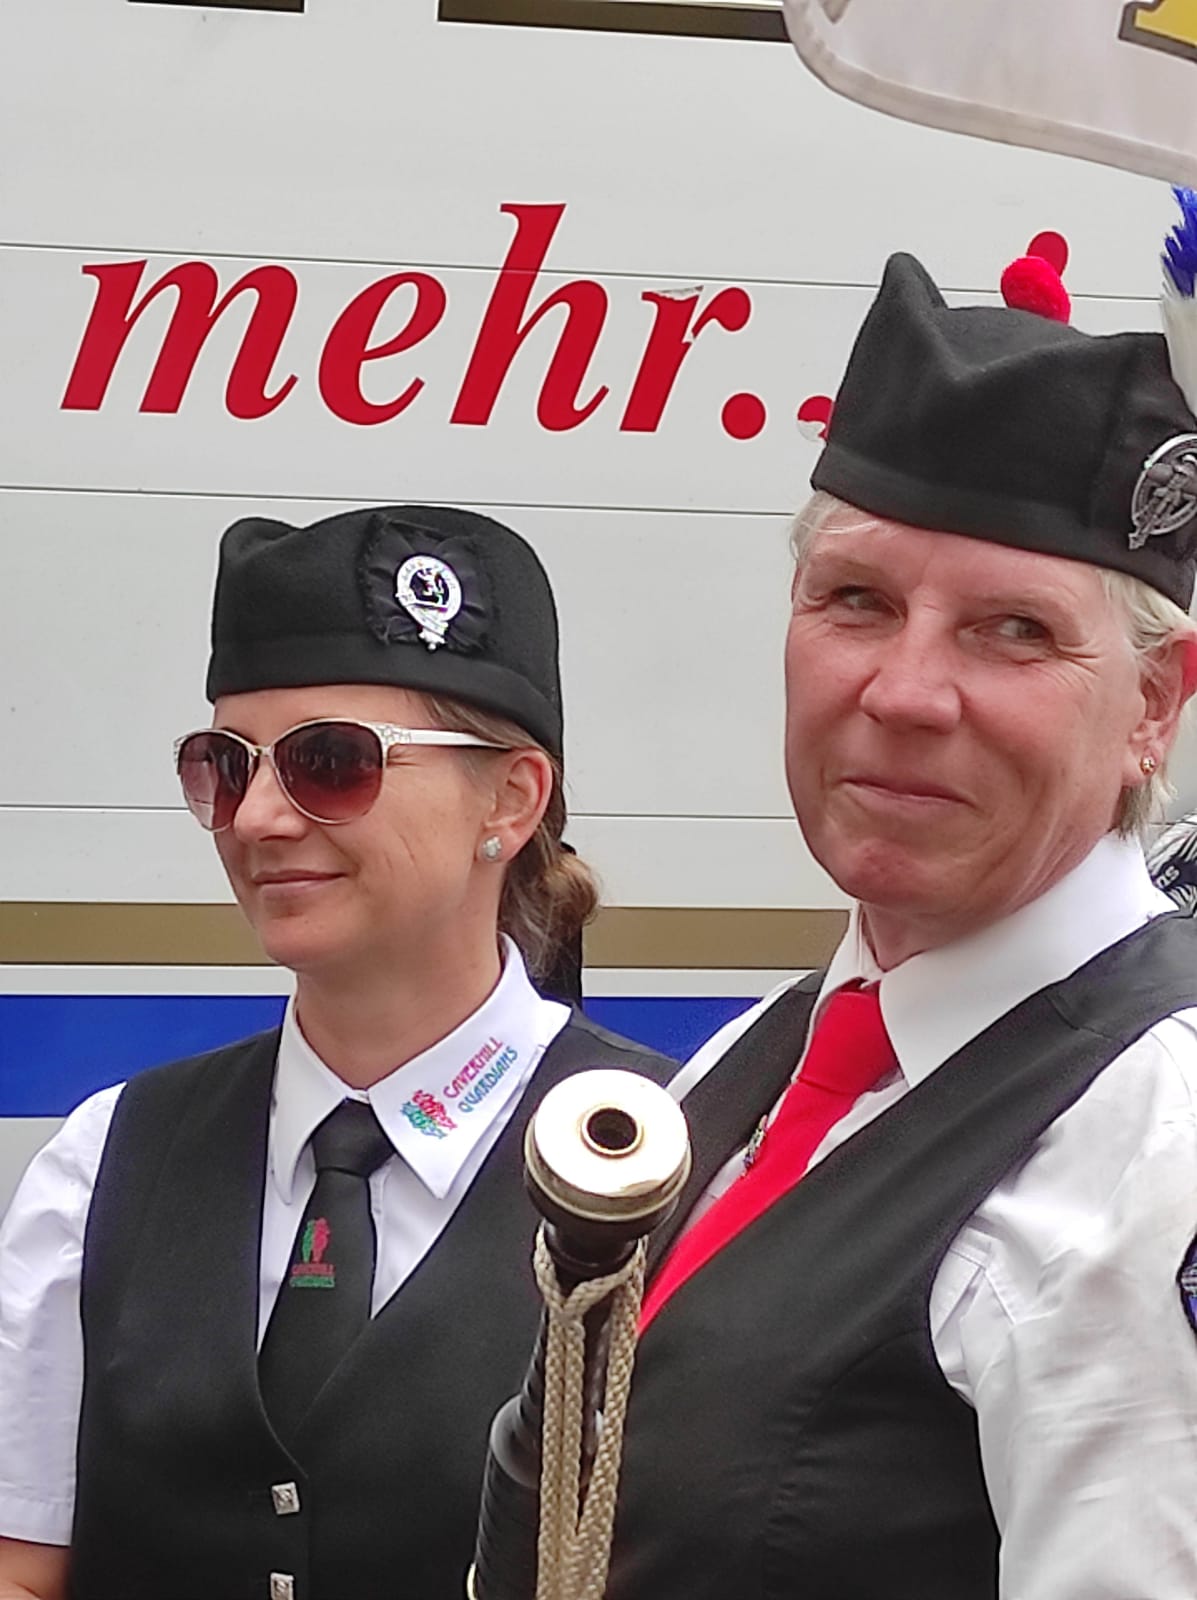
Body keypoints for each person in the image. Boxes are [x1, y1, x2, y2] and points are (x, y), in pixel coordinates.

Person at [606, 248, 1197, 1599]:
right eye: (857, 601)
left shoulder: (1155, 1141)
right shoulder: (753, 1065)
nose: (904, 692)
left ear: (1154, 704)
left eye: (1012, 630)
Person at [0, 503, 673, 1600]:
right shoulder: (104, 1166)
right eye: (226, 765)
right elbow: (25, 1570)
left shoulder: (683, 1164)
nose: (257, 817)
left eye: (330, 761)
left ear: (510, 798)